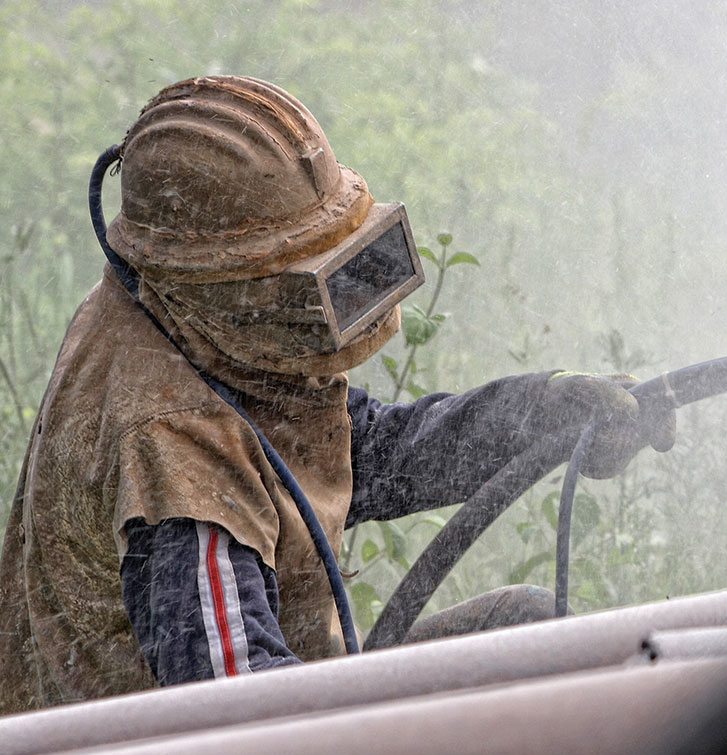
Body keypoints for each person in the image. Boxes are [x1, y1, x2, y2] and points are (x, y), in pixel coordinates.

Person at [0, 75, 673, 714]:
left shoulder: (180, 315)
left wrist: (543, 413)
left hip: (252, 730)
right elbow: (244, 719)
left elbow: (364, 452)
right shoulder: (176, 460)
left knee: (529, 628)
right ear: (228, 287)